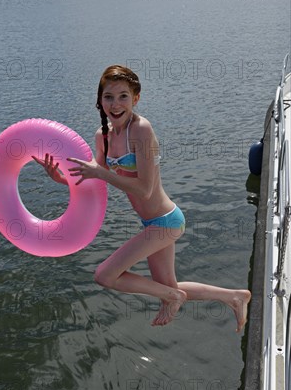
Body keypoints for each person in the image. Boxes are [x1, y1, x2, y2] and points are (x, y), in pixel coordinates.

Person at [33, 65, 251, 330]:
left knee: (105, 275)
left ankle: (174, 297)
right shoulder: (102, 136)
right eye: (108, 97)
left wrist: (99, 173)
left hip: (166, 222)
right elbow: (93, 177)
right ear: (99, 101)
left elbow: (144, 189)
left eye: (123, 96)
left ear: (135, 99)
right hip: (150, 223)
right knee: (166, 286)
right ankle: (234, 297)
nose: (115, 104)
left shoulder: (142, 130)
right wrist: (59, 178)